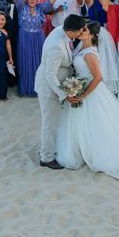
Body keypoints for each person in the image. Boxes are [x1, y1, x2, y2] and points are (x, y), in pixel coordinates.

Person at [56, 21, 119, 181]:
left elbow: (98, 77)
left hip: (90, 92)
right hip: (79, 87)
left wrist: (83, 94)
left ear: (92, 35)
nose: (81, 31)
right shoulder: (80, 47)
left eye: (84, 29)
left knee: (97, 123)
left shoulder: (90, 53)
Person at [35, 14, 89, 170]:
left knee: (54, 122)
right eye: (80, 30)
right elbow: (50, 75)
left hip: (57, 83)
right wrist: (64, 95)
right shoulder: (56, 47)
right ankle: (46, 158)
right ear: (72, 32)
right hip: (49, 88)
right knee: (49, 124)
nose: (82, 32)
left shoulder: (61, 29)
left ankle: (51, 150)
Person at [13, 0, 59, 96]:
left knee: (39, 62)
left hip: (39, 38)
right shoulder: (21, 7)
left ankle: (39, 88)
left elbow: (51, 1)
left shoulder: (41, 8)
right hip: (24, 38)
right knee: (26, 62)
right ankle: (26, 88)